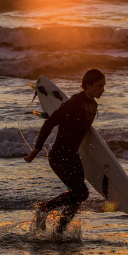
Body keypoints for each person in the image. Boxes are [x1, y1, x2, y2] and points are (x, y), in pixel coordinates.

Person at [24, 69, 106, 235]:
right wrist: (37, 148)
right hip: (59, 156)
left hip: (73, 156)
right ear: (88, 85)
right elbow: (50, 123)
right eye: (100, 86)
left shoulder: (93, 105)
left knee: (78, 196)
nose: (103, 89)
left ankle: (59, 232)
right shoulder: (74, 102)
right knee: (81, 193)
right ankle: (44, 208)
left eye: (104, 86)